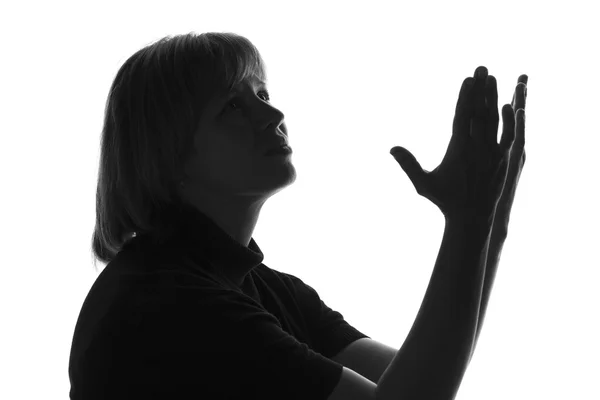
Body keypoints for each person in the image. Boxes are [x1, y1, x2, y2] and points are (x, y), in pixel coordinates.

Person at [68, 31, 528, 400]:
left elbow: (422, 378)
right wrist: (470, 225)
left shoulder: (259, 287)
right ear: (168, 156)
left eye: (262, 93)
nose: (274, 113)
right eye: (233, 105)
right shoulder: (169, 304)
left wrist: (490, 225)